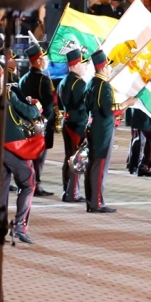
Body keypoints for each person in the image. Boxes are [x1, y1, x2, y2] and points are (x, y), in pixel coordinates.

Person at [0, 59, 43, 244]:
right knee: (28, 184)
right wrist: (36, 106)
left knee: (0, 189)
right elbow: (30, 113)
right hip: (15, 148)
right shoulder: (7, 95)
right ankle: (20, 226)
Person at [85, 50, 134, 213]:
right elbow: (109, 110)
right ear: (104, 68)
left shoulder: (92, 82)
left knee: (93, 164)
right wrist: (127, 103)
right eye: (108, 66)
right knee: (99, 165)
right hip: (102, 128)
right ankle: (97, 203)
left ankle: (91, 201)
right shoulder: (103, 86)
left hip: (94, 125)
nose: (109, 69)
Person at [18, 44, 56, 197]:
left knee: (28, 155)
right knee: (39, 157)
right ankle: (36, 184)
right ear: (39, 61)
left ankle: (27, 182)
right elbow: (48, 104)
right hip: (41, 125)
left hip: (26, 123)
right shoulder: (43, 80)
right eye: (44, 58)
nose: (47, 61)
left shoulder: (23, 79)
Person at [57, 48, 88, 202]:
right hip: (78, 124)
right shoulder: (79, 83)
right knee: (76, 159)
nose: (85, 66)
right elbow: (83, 105)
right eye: (82, 63)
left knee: (69, 158)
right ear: (75, 65)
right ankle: (72, 193)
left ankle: (67, 190)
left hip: (67, 121)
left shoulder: (63, 81)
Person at [126, 108, 151, 177]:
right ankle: (143, 167)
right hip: (144, 111)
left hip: (135, 109)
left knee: (138, 138)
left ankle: (133, 165)